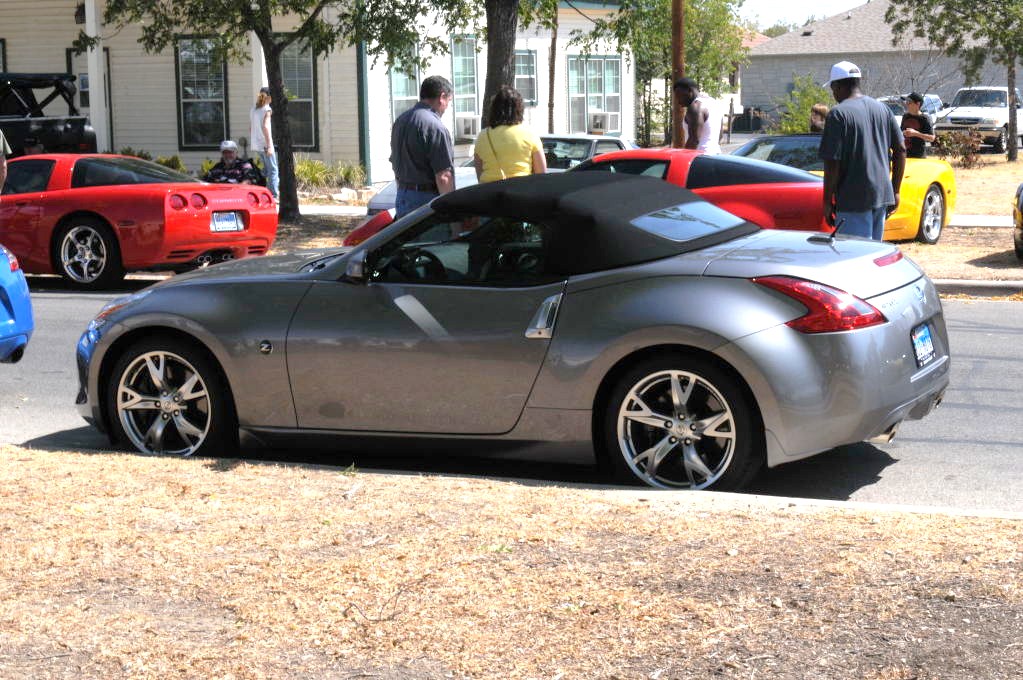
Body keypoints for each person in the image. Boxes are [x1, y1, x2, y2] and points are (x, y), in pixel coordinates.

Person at [818, 61, 906, 241]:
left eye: (833, 88)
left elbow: (832, 161)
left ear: (838, 85)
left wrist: (827, 202)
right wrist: (895, 190)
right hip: (882, 195)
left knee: (855, 259)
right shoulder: (883, 109)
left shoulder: (838, 114)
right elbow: (901, 149)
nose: (833, 93)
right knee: (873, 257)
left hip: (853, 200)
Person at [389, 75, 455, 218]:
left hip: (402, 196)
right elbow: (444, 176)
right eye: (449, 101)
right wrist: (452, 212)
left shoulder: (400, 121)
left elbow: (395, 162)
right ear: (442, 97)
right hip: (426, 200)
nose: (447, 107)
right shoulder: (435, 127)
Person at [473, 85, 546, 183]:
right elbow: (541, 174)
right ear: (519, 109)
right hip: (520, 192)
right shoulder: (529, 134)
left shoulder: (483, 136)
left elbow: (480, 173)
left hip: (489, 194)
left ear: (494, 109)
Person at [673, 77, 722, 154]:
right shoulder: (714, 103)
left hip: (701, 158)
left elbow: (694, 140)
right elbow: (720, 135)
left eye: (679, 96)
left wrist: (683, 158)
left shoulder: (695, 107)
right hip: (716, 155)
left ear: (689, 91)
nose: (678, 101)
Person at [250, 86, 278, 198]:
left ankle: (257, 186)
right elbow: (266, 127)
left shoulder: (253, 109)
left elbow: (250, 128)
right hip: (265, 145)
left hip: (257, 145)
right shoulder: (267, 109)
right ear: (269, 97)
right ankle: (274, 195)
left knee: (266, 170)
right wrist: (270, 145)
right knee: (273, 170)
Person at [900, 92, 935, 159]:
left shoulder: (925, 118)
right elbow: (900, 132)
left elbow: (932, 138)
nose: (906, 104)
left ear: (918, 104)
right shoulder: (905, 116)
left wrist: (916, 134)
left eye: (909, 102)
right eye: (906, 102)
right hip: (904, 155)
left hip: (918, 157)